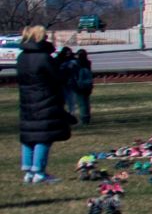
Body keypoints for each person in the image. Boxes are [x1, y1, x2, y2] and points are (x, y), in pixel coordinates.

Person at [15, 26, 73, 184]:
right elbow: (56, 77)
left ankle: (28, 171)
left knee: (29, 136)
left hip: (27, 101)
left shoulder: (21, 57)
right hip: (46, 100)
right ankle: (39, 172)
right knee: (43, 137)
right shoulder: (44, 58)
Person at [66, 48, 94, 126]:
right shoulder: (88, 63)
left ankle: (83, 119)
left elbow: (71, 69)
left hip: (79, 85)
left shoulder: (76, 64)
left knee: (81, 103)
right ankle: (87, 117)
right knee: (86, 102)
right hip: (88, 85)